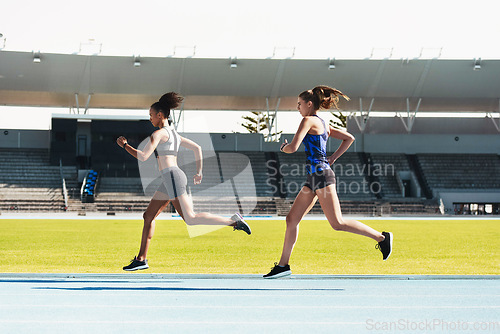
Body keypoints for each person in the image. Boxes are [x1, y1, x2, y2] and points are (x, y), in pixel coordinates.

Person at [263, 86, 392, 279]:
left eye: (299, 104)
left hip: (321, 176)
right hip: (314, 178)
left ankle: (382, 237)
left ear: (309, 104)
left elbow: (293, 147)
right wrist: (332, 158)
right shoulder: (323, 123)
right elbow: (349, 138)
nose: (297, 108)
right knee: (291, 219)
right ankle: (283, 265)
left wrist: (283, 148)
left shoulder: (307, 120)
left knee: (337, 223)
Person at [117, 92, 251, 271]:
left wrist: (125, 145)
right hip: (170, 178)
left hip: (172, 177)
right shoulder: (174, 134)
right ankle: (141, 259)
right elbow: (197, 148)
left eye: (150, 115)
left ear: (159, 115)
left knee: (191, 219)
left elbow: (143, 156)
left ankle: (233, 221)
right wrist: (199, 172)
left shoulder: (158, 134)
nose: (149, 118)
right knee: (148, 216)